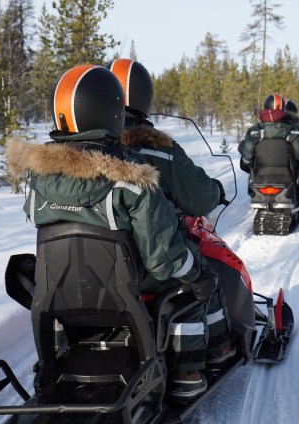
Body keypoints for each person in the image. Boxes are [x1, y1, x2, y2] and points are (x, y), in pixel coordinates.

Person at [5, 64, 217, 399]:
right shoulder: (133, 180)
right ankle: (186, 370)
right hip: (127, 283)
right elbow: (163, 259)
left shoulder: (35, 182)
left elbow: (39, 219)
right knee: (194, 281)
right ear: (111, 113)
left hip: (64, 286)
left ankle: (62, 353)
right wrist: (197, 273)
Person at [105, 58, 235, 367]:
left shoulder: (89, 152)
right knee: (204, 278)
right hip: (151, 264)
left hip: (98, 267)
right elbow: (199, 197)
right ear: (144, 98)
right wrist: (216, 190)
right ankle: (215, 350)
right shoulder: (160, 150)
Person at [238, 93, 299, 203]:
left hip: (262, 174)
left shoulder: (255, 131)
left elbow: (247, 155)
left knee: (248, 165)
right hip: (287, 173)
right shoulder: (293, 130)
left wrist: (248, 162)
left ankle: (253, 190)